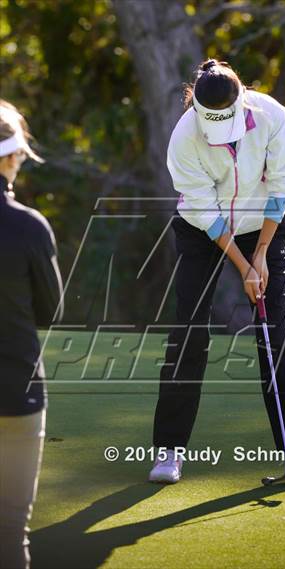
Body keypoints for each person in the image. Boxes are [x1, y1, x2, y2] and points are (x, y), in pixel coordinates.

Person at [148, 59, 285, 486]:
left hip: (263, 224)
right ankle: (169, 450)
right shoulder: (184, 137)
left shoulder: (275, 119)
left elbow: (281, 186)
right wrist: (243, 265)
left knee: (273, 331)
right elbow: (204, 211)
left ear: (242, 102)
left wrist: (259, 253)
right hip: (202, 228)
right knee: (188, 329)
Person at [0, 100, 63, 569]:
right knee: (10, 533)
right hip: (17, 394)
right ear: (10, 158)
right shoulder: (28, 226)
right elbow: (51, 310)